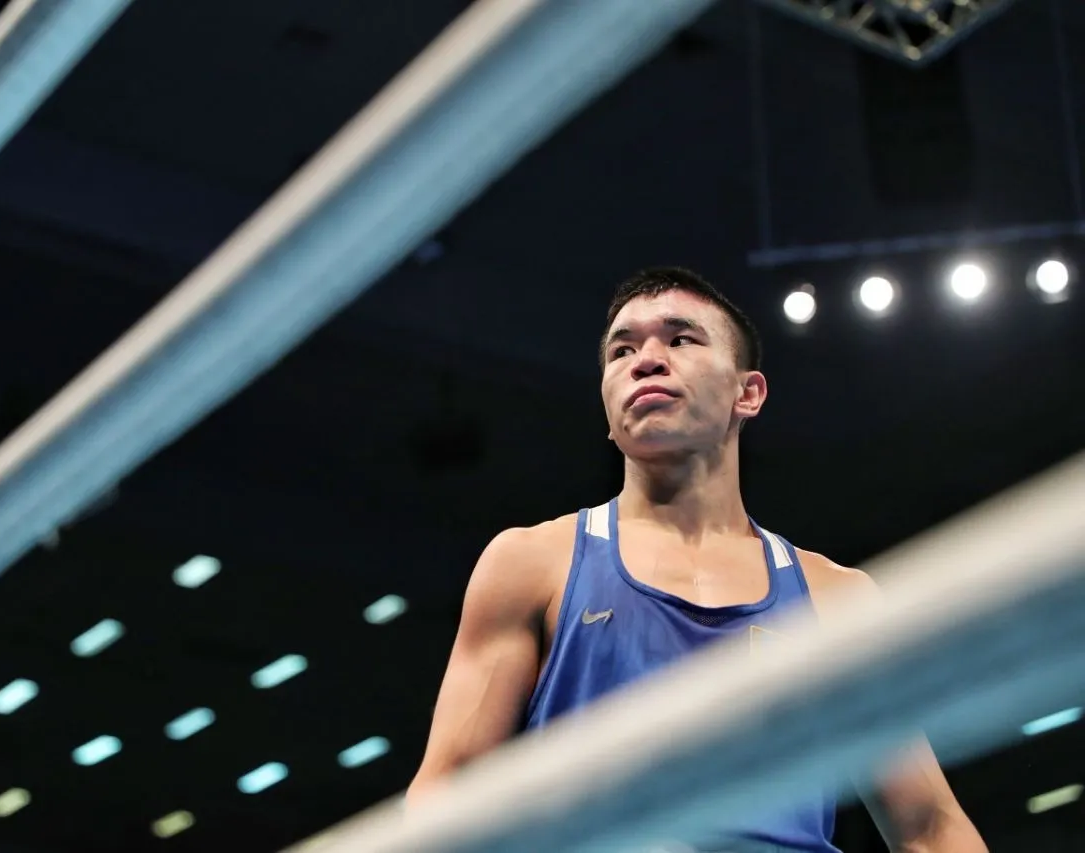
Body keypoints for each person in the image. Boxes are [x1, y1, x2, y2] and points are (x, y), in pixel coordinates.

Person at [406, 268, 987, 853]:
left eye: (680, 339)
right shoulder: (532, 564)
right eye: (622, 350)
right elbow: (445, 794)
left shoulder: (835, 597)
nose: (645, 361)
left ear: (747, 393)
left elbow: (928, 827)